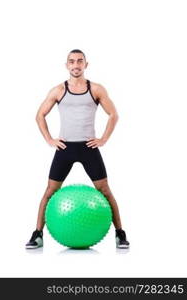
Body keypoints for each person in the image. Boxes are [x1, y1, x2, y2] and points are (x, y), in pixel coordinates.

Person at [26, 49, 130, 249]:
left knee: (105, 191)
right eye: (72, 61)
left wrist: (103, 139)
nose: (76, 65)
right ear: (67, 65)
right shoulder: (58, 90)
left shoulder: (96, 89)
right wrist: (49, 139)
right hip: (65, 148)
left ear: (86, 65)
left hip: (88, 147)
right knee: (49, 192)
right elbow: (40, 115)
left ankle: (120, 233)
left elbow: (113, 115)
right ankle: (37, 234)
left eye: (79, 61)